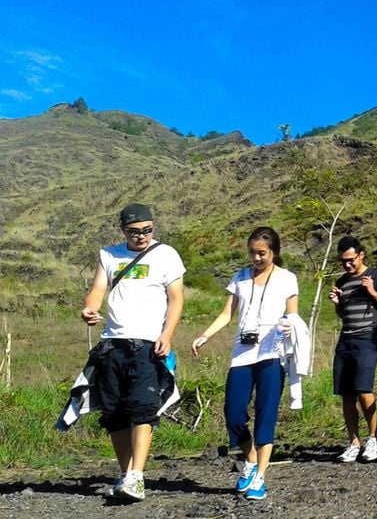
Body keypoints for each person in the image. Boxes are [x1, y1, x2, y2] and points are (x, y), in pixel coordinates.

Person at [79, 203, 186, 502]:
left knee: (142, 407)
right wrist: (90, 308)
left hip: (148, 343)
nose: (141, 236)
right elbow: (98, 290)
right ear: (123, 230)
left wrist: (167, 333)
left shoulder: (166, 254)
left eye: (147, 230)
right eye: (134, 232)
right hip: (113, 342)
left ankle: (137, 476)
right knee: (113, 412)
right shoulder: (109, 255)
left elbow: (176, 298)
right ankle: (127, 474)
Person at [191, 226, 299, 501]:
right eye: (252, 253)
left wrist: (289, 327)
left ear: (274, 252)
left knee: (266, 414)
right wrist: (205, 335)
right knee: (234, 413)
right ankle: (250, 460)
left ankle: (260, 475)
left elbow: (293, 316)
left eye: (262, 253)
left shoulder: (287, 278)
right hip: (242, 353)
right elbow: (227, 314)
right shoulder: (240, 277)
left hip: (272, 352)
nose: (257, 258)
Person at [328, 236, 377, 463]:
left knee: (363, 388)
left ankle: (374, 437)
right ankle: (353, 442)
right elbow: (345, 315)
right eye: (343, 261)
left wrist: (373, 292)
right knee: (346, 392)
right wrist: (338, 305)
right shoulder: (342, 282)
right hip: (346, 338)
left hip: (368, 338)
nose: (347, 265)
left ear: (361, 255)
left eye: (350, 260)